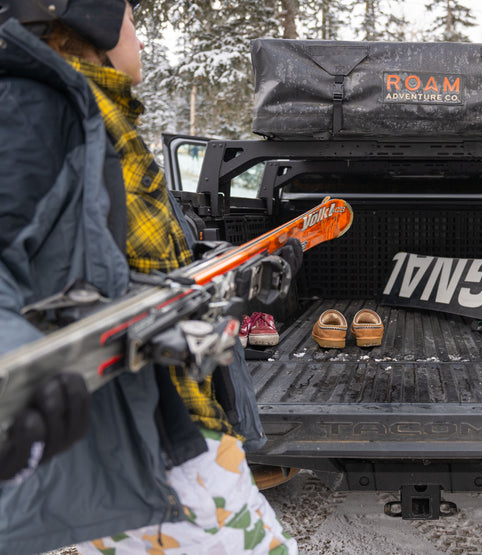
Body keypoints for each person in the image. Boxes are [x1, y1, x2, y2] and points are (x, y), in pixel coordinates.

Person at [0, 1, 298, 553]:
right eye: (131, 22)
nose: (141, 38)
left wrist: (229, 263)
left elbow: (123, 252)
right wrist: (22, 380)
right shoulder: (33, 108)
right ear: (88, 23)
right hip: (141, 440)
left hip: (175, 416)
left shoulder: (93, 113)